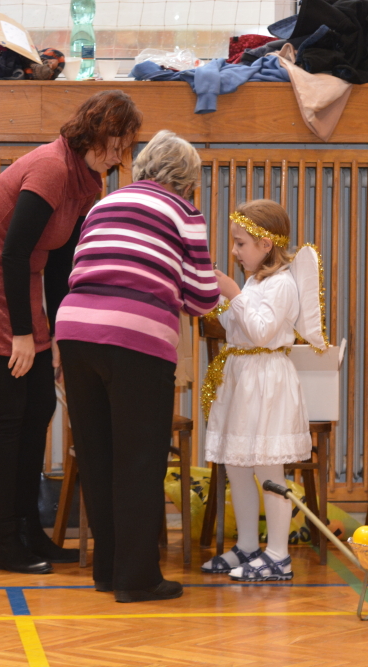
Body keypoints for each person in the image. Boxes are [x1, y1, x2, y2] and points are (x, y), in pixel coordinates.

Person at [0, 90, 143, 574]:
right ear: (95, 132)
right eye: (116, 143)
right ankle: (5, 542)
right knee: (7, 414)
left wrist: (57, 335)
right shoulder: (51, 168)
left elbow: (58, 264)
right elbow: (11, 253)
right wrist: (22, 334)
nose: (120, 156)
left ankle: (31, 532)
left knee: (40, 407)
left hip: (17, 287)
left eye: (126, 146)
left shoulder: (86, 181)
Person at [55, 130, 219, 602]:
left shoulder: (104, 204)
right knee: (140, 460)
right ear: (187, 181)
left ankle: (108, 570)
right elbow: (202, 297)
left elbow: (81, 266)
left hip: (76, 330)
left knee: (97, 456)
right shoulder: (184, 212)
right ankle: (138, 578)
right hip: (136, 338)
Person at [200, 199, 325, 582]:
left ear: (266, 244)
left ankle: (278, 555)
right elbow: (234, 325)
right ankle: (248, 546)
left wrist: (234, 294)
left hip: (267, 380)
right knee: (237, 465)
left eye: (241, 243)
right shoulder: (254, 281)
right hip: (242, 378)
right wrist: (221, 298)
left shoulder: (282, 283)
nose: (235, 251)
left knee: (269, 467)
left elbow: (260, 332)